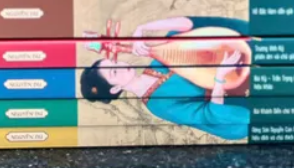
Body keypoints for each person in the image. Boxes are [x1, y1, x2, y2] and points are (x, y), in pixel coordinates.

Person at [80, 16, 250, 140]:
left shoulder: (156, 65)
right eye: (114, 72)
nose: (121, 66)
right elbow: (212, 114)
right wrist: (219, 77)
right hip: (236, 114)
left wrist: (143, 28)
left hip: (239, 80)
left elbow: (186, 26)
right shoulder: (159, 105)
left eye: (115, 62)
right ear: (116, 88)